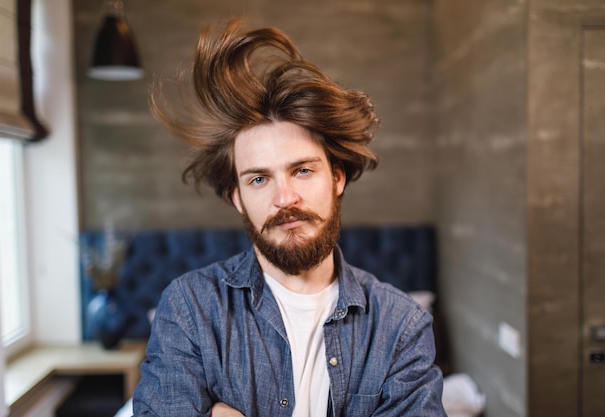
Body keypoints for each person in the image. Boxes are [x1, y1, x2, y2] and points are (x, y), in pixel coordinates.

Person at [132, 18, 446, 417]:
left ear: (336, 178)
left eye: (302, 170)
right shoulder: (189, 309)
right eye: (259, 178)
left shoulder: (401, 326)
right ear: (239, 198)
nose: (285, 198)